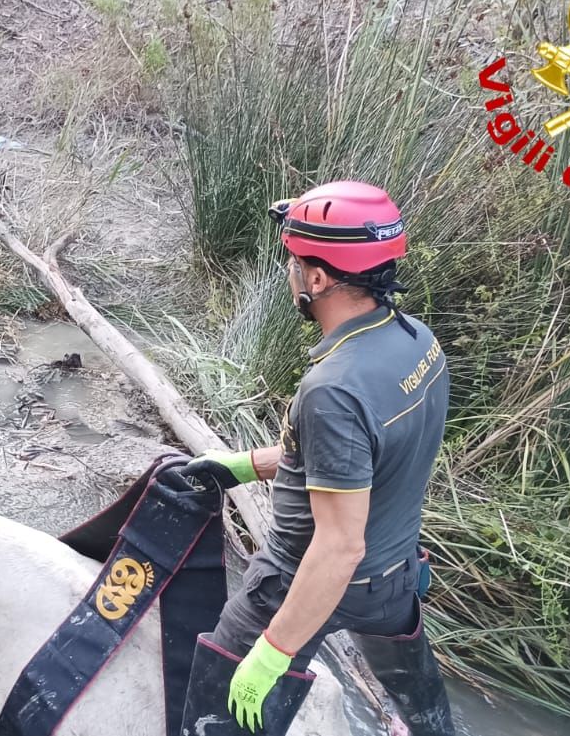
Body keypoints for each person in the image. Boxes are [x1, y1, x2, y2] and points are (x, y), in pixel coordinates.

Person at [179, 181, 456, 736]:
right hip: (394, 582)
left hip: (301, 579)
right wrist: (245, 465)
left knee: (215, 721)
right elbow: (352, 459)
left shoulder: (333, 387)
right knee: (427, 719)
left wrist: (272, 650)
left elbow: (338, 546)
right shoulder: (416, 340)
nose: (289, 274)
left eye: (293, 263)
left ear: (318, 279)